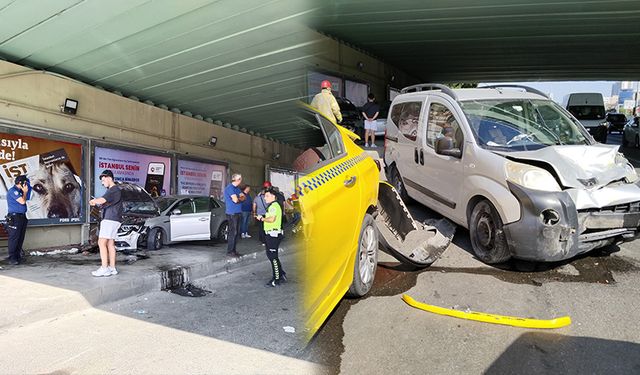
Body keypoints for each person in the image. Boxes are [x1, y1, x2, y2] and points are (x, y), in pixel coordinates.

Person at [89, 170, 123, 277]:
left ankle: (104, 268)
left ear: (109, 178)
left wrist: (93, 201)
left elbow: (102, 200)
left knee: (101, 243)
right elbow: (106, 202)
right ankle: (112, 268)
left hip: (109, 219)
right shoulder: (116, 190)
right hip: (115, 219)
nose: (103, 183)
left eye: (103, 180)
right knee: (110, 244)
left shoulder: (112, 190)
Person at [256, 187, 286, 287]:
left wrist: (262, 218)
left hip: (273, 234)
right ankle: (281, 274)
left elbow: (272, 219)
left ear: (273, 196)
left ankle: (276, 279)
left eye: (267, 196)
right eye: (265, 196)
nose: (265, 198)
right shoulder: (274, 206)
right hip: (272, 234)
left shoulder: (274, 206)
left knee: (273, 257)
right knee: (272, 255)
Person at [4, 175, 32, 265]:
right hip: (15, 217)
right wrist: (24, 192)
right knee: (14, 238)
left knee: (20, 238)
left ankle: (18, 256)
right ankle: (12, 258)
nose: (26, 184)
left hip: (22, 217)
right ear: (20, 183)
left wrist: (26, 191)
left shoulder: (20, 191)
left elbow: (28, 197)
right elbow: (22, 201)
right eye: (25, 183)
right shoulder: (13, 191)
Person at [223, 173, 245, 257]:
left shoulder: (237, 189)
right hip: (232, 213)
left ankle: (234, 250)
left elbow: (244, 197)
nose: (241, 180)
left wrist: (239, 199)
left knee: (237, 232)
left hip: (238, 212)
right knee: (233, 232)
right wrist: (240, 199)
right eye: (240, 179)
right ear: (236, 180)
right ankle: (230, 251)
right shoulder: (230, 188)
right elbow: (236, 200)